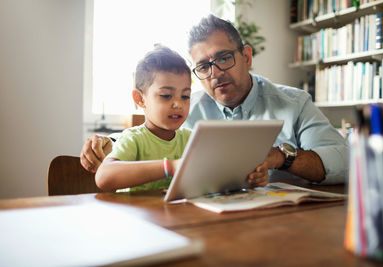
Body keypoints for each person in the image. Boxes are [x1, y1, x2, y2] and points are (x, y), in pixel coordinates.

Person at [82, 15, 348, 185]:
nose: (216, 73)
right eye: (203, 66)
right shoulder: (186, 108)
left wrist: (280, 158)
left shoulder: (295, 103)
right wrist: (108, 143)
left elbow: (343, 162)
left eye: (224, 58)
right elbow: (151, 138)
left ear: (246, 57)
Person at [94, 45, 268, 192]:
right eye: (166, 95)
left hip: (179, 220)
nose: (178, 104)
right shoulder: (133, 139)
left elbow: (216, 177)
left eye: (185, 97)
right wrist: (170, 167)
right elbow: (104, 177)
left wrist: (250, 176)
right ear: (140, 99)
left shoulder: (191, 139)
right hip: (140, 222)